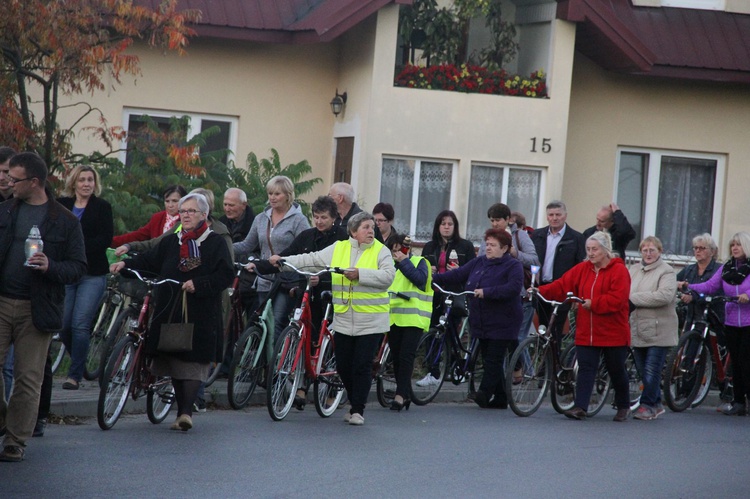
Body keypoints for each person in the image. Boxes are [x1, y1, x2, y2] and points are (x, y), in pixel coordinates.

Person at [110, 193, 233, 431]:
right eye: (183, 211)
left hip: (201, 312)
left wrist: (200, 284)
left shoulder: (214, 242)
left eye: (191, 211)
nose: (185, 215)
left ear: (203, 215)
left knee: (193, 362)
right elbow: (148, 260)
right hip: (169, 307)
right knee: (175, 359)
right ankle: (181, 412)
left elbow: (225, 275)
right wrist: (125, 264)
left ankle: (185, 413)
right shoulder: (172, 242)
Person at [0, 152, 87, 462]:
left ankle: (15, 440)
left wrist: (50, 265)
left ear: (33, 182)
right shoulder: (5, 211)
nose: (7, 181)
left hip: (36, 308)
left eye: (14, 178)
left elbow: (78, 268)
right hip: (1, 300)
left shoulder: (63, 220)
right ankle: (4, 420)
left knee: (28, 377)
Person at [269, 212, 395, 425]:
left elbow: (388, 276)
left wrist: (361, 274)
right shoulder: (340, 248)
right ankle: (353, 399)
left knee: (361, 365)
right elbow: (313, 259)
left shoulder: (381, 251)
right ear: (353, 232)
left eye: (372, 228)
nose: (370, 231)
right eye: (365, 227)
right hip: (344, 318)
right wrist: (283, 260)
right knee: (344, 365)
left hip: (372, 320)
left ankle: (357, 409)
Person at [251, 196, 347, 409]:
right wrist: (260, 266)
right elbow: (286, 257)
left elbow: (345, 268)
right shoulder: (306, 236)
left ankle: (332, 387)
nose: (319, 221)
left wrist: (321, 279)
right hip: (308, 294)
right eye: (316, 217)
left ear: (334, 218)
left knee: (330, 342)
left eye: (324, 217)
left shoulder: (343, 238)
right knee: (305, 336)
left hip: (332, 296)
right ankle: (301, 385)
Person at [537, 232, 632, 421]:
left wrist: (593, 303)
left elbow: (618, 299)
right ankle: (580, 406)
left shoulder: (619, 271)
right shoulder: (583, 268)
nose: (590, 253)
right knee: (586, 368)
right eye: (588, 249)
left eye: (594, 249)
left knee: (616, 369)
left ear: (606, 251)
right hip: (586, 330)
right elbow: (562, 285)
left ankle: (623, 405)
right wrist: (538, 291)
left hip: (612, 331)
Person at [434, 229, 523, 408]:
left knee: (493, 359)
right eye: (487, 244)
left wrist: (487, 292)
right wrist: (433, 278)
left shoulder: (513, 266)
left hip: (504, 321)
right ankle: (500, 398)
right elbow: (458, 274)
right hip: (481, 319)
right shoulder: (479, 262)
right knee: (489, 358)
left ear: (504, 248)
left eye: (493, 245)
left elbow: (513, 288)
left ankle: (483, 393)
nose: (488, 248)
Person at [56, 166, 114, 390]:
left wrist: (77, 250)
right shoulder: (62, 205)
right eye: (82, 180)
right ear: (74, 183)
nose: (86, 184)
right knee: (64, 325)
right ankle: (80, 360)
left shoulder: (102, 207)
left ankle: (74, 375)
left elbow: (105, 238)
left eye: (90, 180)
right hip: (67, 273)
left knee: (80, 324)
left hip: (92, 273)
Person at [234, 176, 310, 342]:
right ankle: (259, 362)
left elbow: (306, 248)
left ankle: (274, 365)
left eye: (277, 193)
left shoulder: (299, 220)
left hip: (286, 279)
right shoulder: (261, 218)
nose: (272, 197)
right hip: (264, 278)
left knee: (276, 322)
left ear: (288, 195)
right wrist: (223, 246)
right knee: (263, 322)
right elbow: (247, 244)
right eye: (270, 193)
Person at [688, 232, 750, 416]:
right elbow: (709, 286)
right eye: (732, 245)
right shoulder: (726, 269)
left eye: (738, 244)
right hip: (731, 321)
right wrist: (687, 285)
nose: (735, 248)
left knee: (747, 362)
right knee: (737, 364)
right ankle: (739, 402)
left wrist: (748, 295)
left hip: (748, 323)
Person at [480, 203, 539, 383]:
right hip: (492, 293)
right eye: (492, 220)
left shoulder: (520, 236)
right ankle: (509, 372)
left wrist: (515, 253)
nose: (495, 224)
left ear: (508, 220)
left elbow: (535, 260)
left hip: (516, 293)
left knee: (513, 334)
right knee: (499, 335)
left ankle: (520, 369)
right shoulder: (488, 238)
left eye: (498, 220)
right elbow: (480, 261)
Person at [628, 236, 678, 420]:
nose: (648, 254)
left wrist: (634, 299)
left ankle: (647, 405)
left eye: (652, 250)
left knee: (651, 369)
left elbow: (664, 296)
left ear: (660, 251)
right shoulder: (633, 269)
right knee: (643, 370)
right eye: (645, 250)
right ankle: (656, 403)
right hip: (638, 327)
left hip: (659, 329)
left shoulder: (667, 271)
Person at [386, 234, 433, 411]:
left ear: (408, 249)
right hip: (393, 318)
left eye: (400, 249)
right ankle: (404, 393)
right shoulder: (388, 265)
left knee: (406, 356)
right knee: (397, 357)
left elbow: (420, 280)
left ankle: (400, 395)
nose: (397, 253)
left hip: (413, 318)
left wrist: (404, 261)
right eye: (393, 250)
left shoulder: (420, 262)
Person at [530, 201, 586, 348]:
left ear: (565, 216)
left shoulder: (576, 238)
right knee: (542, 328)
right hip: (541, 287)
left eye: (558, 215)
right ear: (547, 217)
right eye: (551, 215)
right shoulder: (537, 235)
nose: (554, 218)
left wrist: (577, 294)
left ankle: (554, 363)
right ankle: (543, 364)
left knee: (555, 328)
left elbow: (582, 267)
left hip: (563, 290)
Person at [111, 184, 187, 249]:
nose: (170, 205)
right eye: (167, 201)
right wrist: (110, 241)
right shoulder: (158, 218)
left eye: (174, 201)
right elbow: (138, 235)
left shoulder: (188, 219)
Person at [676, 233, 723, 332]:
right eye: (695, 248)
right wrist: (678, 286)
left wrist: (693, 297)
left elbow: (716, 292)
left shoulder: (719, 269)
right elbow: (672, 281)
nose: (697, 251)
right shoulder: (689, 269)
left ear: (712, 251)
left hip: (713, 319)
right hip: (690, 318)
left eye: (702, 248)